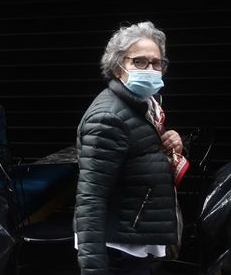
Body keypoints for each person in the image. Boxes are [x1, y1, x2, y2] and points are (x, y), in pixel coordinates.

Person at [75, 21, 185, 275]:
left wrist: (170, 144)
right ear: (117, 67)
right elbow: (90, 199)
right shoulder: (107, 118)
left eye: (156, 63)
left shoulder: (144, 106)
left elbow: (139, 156)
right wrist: (93, 269)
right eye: (139, 62)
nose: (150, 69)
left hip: (133, 241)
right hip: (117, 251)